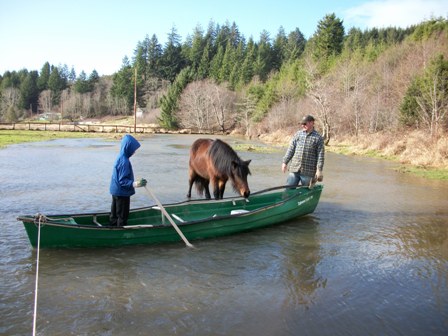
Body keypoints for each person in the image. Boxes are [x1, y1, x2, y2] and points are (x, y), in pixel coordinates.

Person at [109, 134, 147, 226]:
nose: (134, 152)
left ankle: (112, 229)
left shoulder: (120, 157)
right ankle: (120, 234)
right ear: (128, 147)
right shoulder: (124, 161)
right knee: (122, 216)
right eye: (133, 149)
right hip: (122, 193)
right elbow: (122, 181)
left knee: (114, 215)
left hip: (116, 191)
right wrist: (135, 184)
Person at [281, 115, 325, 187]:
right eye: (302, 124)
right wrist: (285, 162)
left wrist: (319, 170)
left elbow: (320, 156)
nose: (302, 125)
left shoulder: (318, 138)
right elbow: (291, 149)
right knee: (288, 189)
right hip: (294, 169)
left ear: (311, 123)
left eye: (305, 124)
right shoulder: (297, 134)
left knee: (306, 192)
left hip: (308, 172)